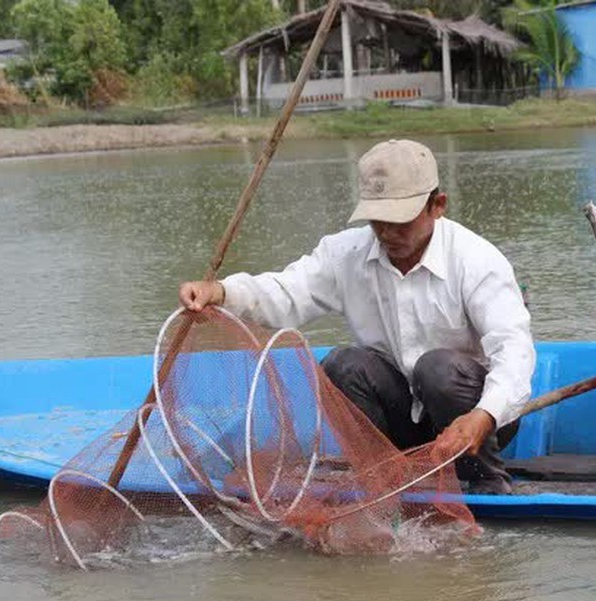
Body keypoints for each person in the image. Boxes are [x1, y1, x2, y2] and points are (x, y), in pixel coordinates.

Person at [178, 139, 536, 495]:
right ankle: (382, 477)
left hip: (472, 419)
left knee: (436, 368)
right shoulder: (346, 253)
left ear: (437, 206)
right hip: (403, 419)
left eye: (400, 222)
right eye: (377, 222)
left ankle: (488, 479)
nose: (387, 234)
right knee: (343, 364)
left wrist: (484, 416)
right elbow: (287, 292)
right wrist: (221, 292)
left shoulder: (476, 260)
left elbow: (515, 352)